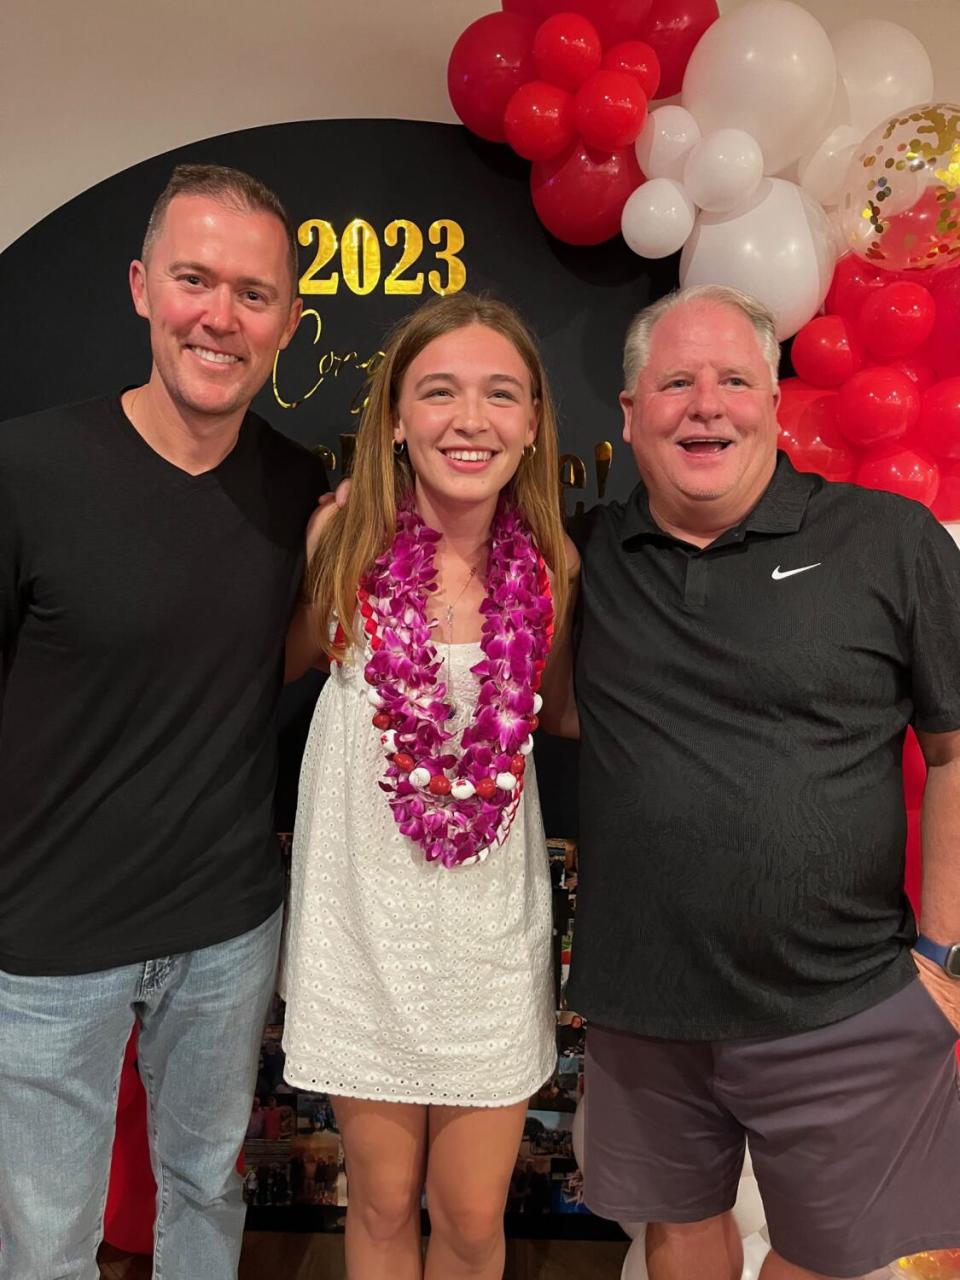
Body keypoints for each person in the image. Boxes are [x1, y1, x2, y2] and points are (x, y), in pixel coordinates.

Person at [541, 284, 960, 1280]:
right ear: (631, 410)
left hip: (845, 993)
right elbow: (552, 705)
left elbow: (955, 751)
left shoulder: (890, 540)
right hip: (644, 1001)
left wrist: (946, 954)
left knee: (838, 1254)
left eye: (734, 379)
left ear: (774, 401)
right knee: (679, 1235)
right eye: (676, 381)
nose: (707, 404)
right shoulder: (587, 557)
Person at [0, 163, 325, 1279]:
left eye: (252, 291)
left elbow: (267, 654)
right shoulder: (24, 470)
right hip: (46, 940)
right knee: (42, 1237)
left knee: (204, 1192)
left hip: (225, 930)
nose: (220, 316)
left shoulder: (300, 486)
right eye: (196, 278)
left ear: (286, 318)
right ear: (143, 287)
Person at [281, 292, 577, 1280]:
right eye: (439, 391)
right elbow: (257, 677)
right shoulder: (339, 547)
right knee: (377, 1205)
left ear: (532, 422)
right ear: (396, 417)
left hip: (485, 942)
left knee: (472, 1219)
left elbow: (562, 714)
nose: (470, 418)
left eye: (501, 394)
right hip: (362, 929)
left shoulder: (553, 569)